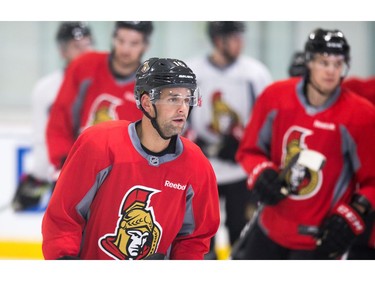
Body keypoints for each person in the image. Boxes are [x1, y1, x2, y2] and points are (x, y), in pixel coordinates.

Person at [41, 57, 220, 260]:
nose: (182, 109)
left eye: (187, 100)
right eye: (173, 99)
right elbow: (64, 216)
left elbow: (194, 240)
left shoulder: (197, 165)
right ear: (146, 103)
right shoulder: (99, 144)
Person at [235, 28, 375, 259]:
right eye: (323, 62)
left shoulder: (361, 115)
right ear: (309, 62)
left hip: (318, 240)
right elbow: (249, 150)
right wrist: (261, 172)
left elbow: (372, 182)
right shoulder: (274, 97)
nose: (331, 71)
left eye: (338, 64)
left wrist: (353, 213)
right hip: (269, 228)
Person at [186, 21, 273, 259]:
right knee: (200, 237)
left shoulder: (255, 74)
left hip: (241, 171)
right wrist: (198, 146)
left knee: (242, 234)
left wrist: (246, 146)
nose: (240, 42)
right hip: (203, 170)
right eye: (234, 37)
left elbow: (268, 122)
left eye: (240, 36)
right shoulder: (194, 71)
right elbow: (180, 119)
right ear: (218, 40)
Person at [45, 21, 153, 182]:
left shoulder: (151, 84)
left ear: (146, 45)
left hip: (125, 178)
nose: (125, 49)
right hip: (79, 167)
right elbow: (60, 119)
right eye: (120, 41)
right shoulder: (84, 66)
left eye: (134, 43)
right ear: (113, 38)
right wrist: (64, 161)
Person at [11, 21, 94, 212]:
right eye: (76, 46)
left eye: (88, 44)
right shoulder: (47, 89)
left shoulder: (105, 83)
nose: (85, 52)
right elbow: (42, 136)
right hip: (66, 173)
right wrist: (39, 173)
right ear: (63, 51)